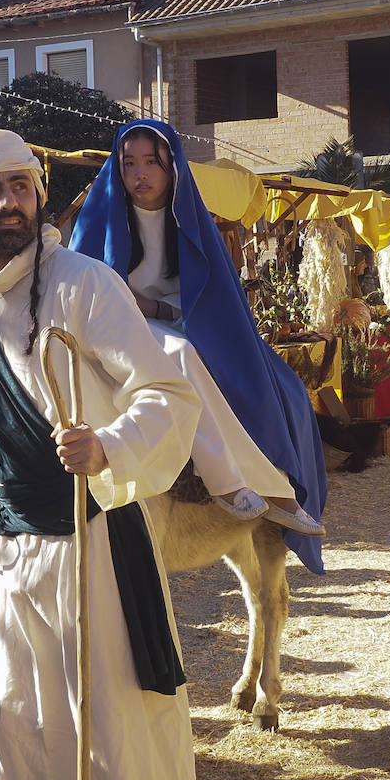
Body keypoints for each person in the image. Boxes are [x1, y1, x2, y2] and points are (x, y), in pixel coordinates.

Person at [0, 129, 219, 780]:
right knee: (34, 728)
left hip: (98, 539)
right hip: (17, 551)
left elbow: (166, 393)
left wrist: (110, 447)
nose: (9, 203)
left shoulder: (85, 283)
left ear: (37, 196)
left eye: (20, 187)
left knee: (128, 729)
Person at [70, 119, 327, 555]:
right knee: (183, 356)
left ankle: (277, 482)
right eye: (129, 163)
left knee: (277, 381)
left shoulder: (189, 220)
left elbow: (213, 299)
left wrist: (158, 309)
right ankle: (232, 484)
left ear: (172, 167)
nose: (140, 174)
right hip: (119, 330)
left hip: (179, 322)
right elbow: (85, 292)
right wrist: (141, 310)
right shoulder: (100, 217)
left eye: (151, 162)